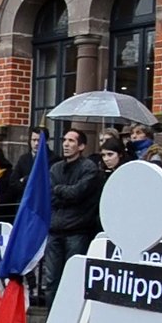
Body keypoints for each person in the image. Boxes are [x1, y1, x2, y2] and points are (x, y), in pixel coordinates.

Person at [44, 129, 101, 306]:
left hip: (77, 231)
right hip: (55, 230)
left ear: (81, 146)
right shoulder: (56, 168)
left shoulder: (89, 168)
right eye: (64, 140)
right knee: (51, 279)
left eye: (71, 141)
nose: (66, 144)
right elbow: (49, 194)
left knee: (73, 279)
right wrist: (63, 192)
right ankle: (51, 320)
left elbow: (78, 193)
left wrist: (60, 190)